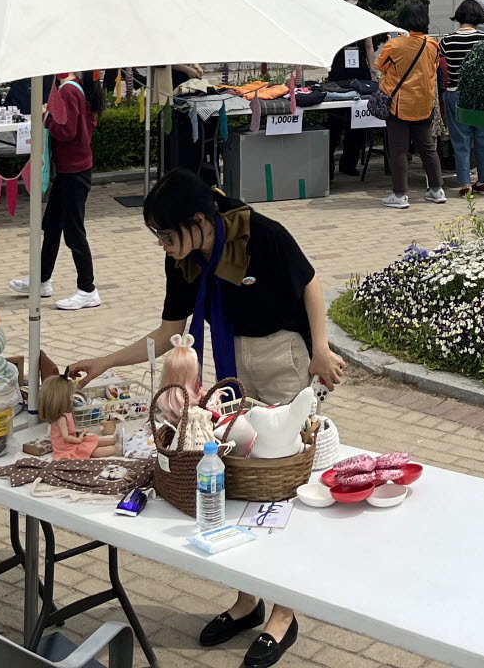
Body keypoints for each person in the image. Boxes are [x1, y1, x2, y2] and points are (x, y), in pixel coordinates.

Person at [67, 172, 343, 668]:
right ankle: (246, 600)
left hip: (284, 356)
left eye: (167, 234)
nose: (163, 245)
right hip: (233, 363)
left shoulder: (260, 233)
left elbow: (310, 284)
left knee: (281, 487)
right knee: (239, 480)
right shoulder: (185, 259)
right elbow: (168, 332)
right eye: (157, 235)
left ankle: (284, 613)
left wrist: (320, 350)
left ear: (198, 221)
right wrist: (106, 361)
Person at [40, 71, 103, 310]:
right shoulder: (76, 87)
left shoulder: (68, 90)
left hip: (73, 171)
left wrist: (46, 118)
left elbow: (66, 131)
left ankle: (87, 289)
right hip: (73, 169)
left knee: (74, 232)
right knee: (52, 226)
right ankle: (42, 279)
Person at [374, 1, 443, 209]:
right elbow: (433, 68)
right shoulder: (432, 44)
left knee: (399, 150)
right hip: (424, 103)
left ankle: (400, 194)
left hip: (399, 104)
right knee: (428, 148)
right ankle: (437, 190)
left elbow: (381, 66)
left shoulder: (394, 45)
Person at [440, 0, 484, 197]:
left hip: (455, 92)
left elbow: (441, 65)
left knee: (460, 140)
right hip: (481, 94)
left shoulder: (447, 41)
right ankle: (483, 182)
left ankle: (465, 183)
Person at [323, 0, 374, 177]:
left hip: (359, 71)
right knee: (335, 120)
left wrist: (373, 71)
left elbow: (369, 45)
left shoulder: (363, 15)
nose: (351, 1)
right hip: (338, 72)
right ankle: (328, 164)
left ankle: (349, 162)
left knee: (358, 120)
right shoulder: (332, 16)